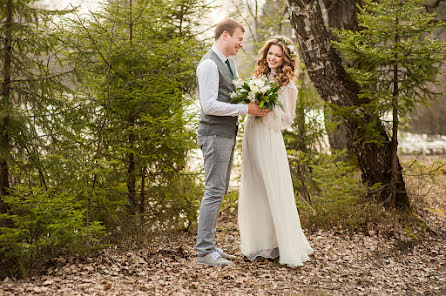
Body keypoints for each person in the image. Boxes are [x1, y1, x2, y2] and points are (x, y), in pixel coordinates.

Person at [196, 18, 270, 267]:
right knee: (214, 190)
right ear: (225, 35)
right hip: (214, 134)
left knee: (219, 190)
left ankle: (209, 246)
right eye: (239, 38)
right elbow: (209, 105)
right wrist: (245, 109)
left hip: (226, 135)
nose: (241, 44)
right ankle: (204, 252)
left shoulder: (230, 63)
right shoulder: (208, 64)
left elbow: (230, 94)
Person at [238, 37, 314, 267]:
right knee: (254, 186)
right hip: (252, 133)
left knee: (273, 185)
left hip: (270, 138)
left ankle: (281, 243)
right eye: (270, 53)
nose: (272, 58)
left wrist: (268, 110)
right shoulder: (258, 78)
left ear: (285, 60)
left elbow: (287, 120)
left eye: (278, 55)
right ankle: (258, 243)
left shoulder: (288, 86)